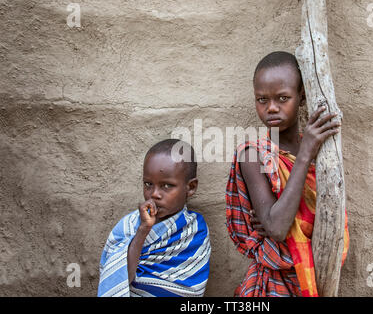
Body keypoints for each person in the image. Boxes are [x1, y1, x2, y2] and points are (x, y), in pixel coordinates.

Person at [226, 51, 349, 297]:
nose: (272, 108)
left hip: (318, 273)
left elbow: (330, 215)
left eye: (283, 98)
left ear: (301, 98)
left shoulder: (322, 153)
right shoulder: (252, 155)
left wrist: (281, 215)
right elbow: (278, 227)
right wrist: (305, 154)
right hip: (271, 286)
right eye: (262, 100)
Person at [98, 139, 211, 297]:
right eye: (148, 184)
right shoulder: (128, 226)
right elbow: (119, 279)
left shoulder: (194, 230)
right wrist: (143, 230)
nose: (154, 194)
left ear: (190, 187)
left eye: (166, 186)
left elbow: (190, 289)